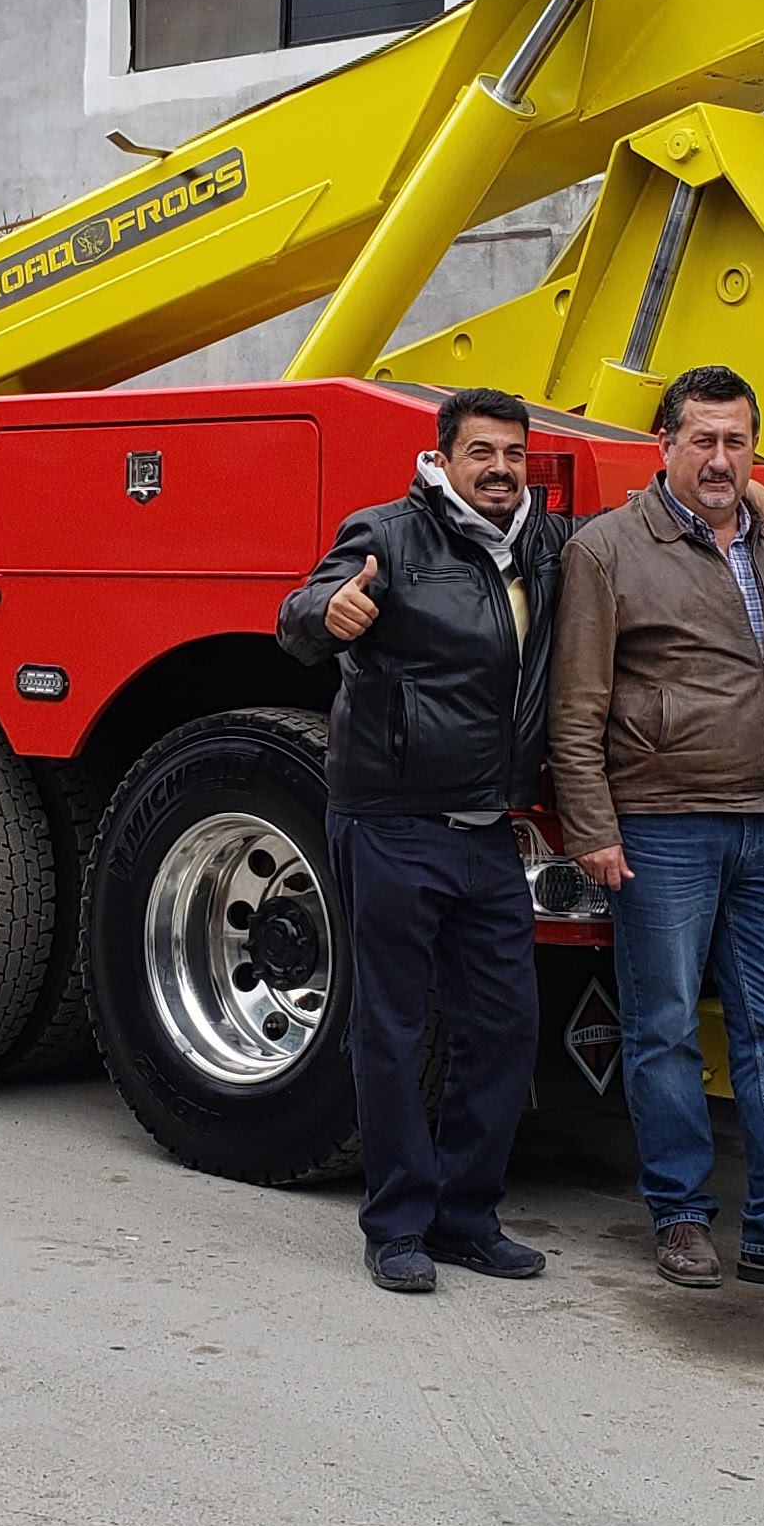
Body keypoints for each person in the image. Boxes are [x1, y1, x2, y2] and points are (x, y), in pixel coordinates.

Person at [546, 366, 764, 1297]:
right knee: (660, 1030)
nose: (719, 458)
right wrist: (593, 828)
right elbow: (575, 705)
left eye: (736, 441)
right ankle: (681, 1217)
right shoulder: (607, 550)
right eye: (702, 439)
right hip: (660, 829)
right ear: (664, 445)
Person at [278, 386, 566, 1293]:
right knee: (393, 1030)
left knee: (507, 1028)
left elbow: (647, 528)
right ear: (442, 460)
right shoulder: (387, 534)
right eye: (481, 452)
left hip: (491, 832)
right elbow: (298, 614)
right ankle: (397, 1225)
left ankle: (467, 1217)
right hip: (393, 821)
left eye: (514, 454)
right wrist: (331, 617)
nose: (500, 469)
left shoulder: (548, 545)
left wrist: (745, 496)